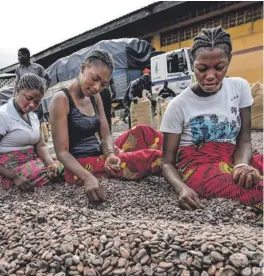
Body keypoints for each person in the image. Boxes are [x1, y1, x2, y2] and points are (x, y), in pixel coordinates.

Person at [161, 27, 263, 212]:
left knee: (253, 172)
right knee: (257, 190)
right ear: (192, 63)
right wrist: (181, 188)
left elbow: (245, 140)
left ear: (229, 60)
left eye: (219, 67)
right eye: (202, 68)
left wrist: (241, 165)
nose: (210, 76)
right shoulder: (178, 105)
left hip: (234, 156)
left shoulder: (239, 88)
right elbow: (167, 163)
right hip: (200, 166)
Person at [49, 50, 162, 202]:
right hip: (79, 166)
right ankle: (186, 166)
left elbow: (106, 135)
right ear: (83, 68)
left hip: (99, 154)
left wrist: (109, 154)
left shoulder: (95, 97)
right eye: (94, 79)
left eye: (103, 84)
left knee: (143, 131)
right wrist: (87, 177)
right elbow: (61, 152)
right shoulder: (61, 99)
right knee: (151, 157)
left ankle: (185, 150)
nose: (96, 87)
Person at [0, 73, 63, 191]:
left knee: (63, 159)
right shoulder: (3, 115)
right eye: (28, 98)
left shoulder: (33, 117)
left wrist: (50, 164)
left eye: (37, 102)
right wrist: (14, 177)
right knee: (52, 171)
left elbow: (41, 145)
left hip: (31, 161)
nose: (32, 105)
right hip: (9, 169)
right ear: (17, 91)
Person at [14, 48, 52, 121]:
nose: (18, 58)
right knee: (26, 122)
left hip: (36, 102)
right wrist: (14, 97)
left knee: (39, 121)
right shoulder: (18, 69)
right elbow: (16, 84)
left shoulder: (37, 68)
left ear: (25, 56)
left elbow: (49, 79)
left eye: (19, 56)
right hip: (24, 102)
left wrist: (42, 93)